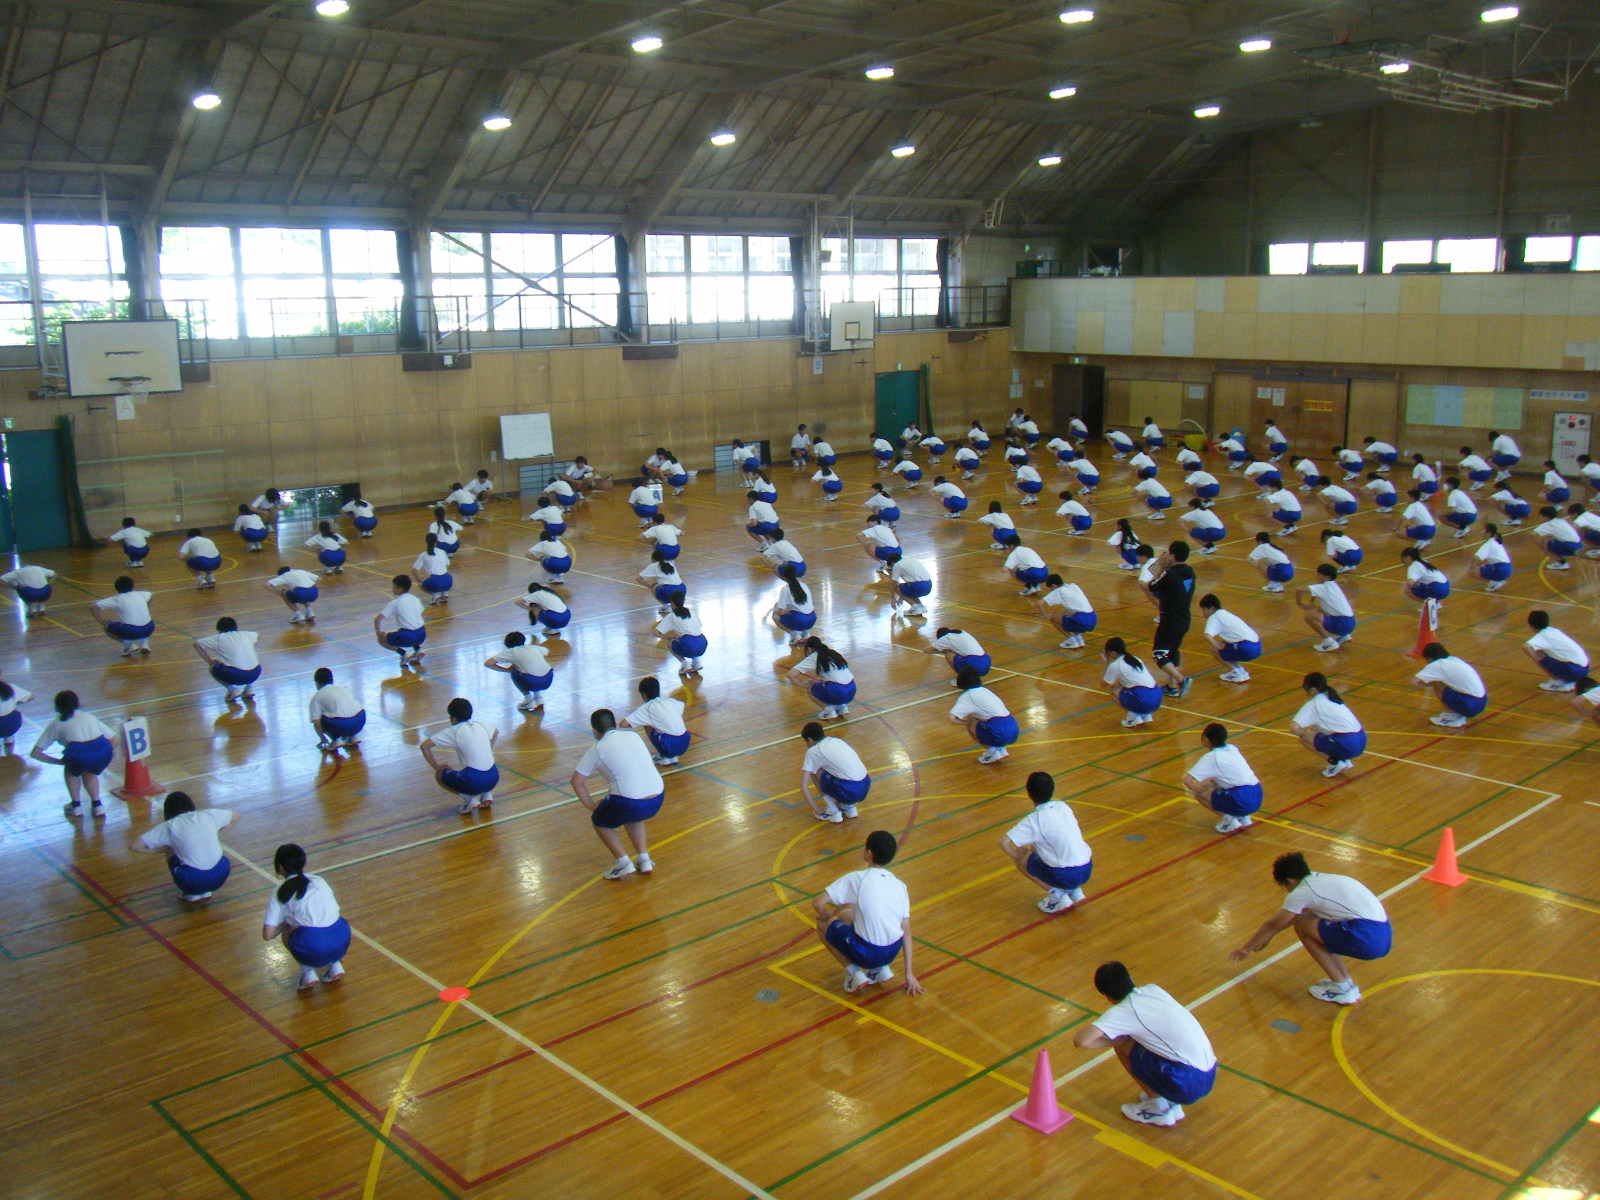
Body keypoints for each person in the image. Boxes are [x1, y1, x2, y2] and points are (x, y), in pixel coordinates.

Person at [1229, 851, 1391, 1006]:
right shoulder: (1321, 880)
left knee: (1303, 926)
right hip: (1383, 934)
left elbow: (1274, 924)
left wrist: (1247, 948)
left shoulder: (1303, 891)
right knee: (1312, 923)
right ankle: (1346, 984)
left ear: (1290, 881)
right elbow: (1301, 914)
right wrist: (1269, 936)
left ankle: (1342, 987)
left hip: (1367, 938)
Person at [1071, 961, 1217, 1127]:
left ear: (1106, 995)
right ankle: (1168, 1099)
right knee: (1138, 1041)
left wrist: (1118, 1040)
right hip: (1209, 1073)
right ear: (1130, 978)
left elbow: (1081, 1041)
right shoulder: (1153, 990)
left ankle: (1158, 1108)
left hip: (1188, 1084)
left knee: (1124, 1044)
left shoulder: (1125, 1011)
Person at [813, 830, 922, 995]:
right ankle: (879, 970)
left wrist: (825, 914)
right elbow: (906, 931)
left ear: (869, 853)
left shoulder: (857, 878)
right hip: (891, 952)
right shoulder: (900, 885)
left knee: (822, 924)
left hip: (868, 954)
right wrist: (909, 974)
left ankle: (854, 974)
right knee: (845, 915)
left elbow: (817, 903)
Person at [571, 708, 664, 879]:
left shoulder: (597, 748)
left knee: (600, 821)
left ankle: (623, 863)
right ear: (614, 724)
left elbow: (577, 782)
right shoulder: (633, 736)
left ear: (595, 731)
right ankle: (644, 859)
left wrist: (591, 806)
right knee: (633, 817)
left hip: (630, 802)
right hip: (658, 796)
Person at [262, 843, 350, 993]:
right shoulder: (319, 880)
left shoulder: (280, 891)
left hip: (314, 945)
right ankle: (335, 965)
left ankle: (307, 973)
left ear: (280, 868)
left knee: (289, 931)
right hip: (342, 938)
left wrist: (286, 923)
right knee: (326, 926)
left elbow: (268, 935)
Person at [1000, 772, 1092, 912]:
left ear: (1029, 793)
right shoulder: (1063, 806)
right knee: (1040, 848)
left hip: (1066, 874)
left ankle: (1057, 896)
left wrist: (1018, 856)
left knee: (1021, 859)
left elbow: (1004, 843)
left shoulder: (1034, 820)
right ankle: (1073, 890)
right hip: (1086, 868)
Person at [131, 791, 235, 902]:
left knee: (170, 849)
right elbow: (236, 817)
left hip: (192, 881)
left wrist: (161, 850)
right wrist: (217, 835)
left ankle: (190, 893)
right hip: (221, 875)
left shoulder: (170, 825)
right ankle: (206, 891)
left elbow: (135, 846)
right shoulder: (208, 815)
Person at [31, 690, 115, 817]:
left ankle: (76, 806)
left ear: (57, 707)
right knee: (89, 772)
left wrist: (60, 762)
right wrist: (99, 754)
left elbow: (35, 753)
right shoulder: (89, 717)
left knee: (70, 771)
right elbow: (114, 740)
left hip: (78, 756)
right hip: (103, 753)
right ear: (77, 703)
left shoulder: (57, 724)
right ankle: (98, 805)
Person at [420, 697, 499, 814]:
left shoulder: (455, 730)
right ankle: (487, 794)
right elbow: (496, 732)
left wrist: (436, 766)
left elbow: (425, 746)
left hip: (475, 780)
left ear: (453, 718)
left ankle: (470, 800)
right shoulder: (481, 725)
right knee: (478, 769)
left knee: (440, 775)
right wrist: (488, 750)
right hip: (494, 776)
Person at [1182, 723, 1262, 832]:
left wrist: (1197, 790)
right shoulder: (1232, 748)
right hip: (1257, 794)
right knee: (1216, 784)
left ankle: (1229, 821)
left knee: (1201, 793)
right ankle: (1243, 817)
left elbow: (1187, 780)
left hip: (1241, 799)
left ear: (1206, 739)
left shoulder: (1211, 757)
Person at [1290, 673, 1366, 777]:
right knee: (1316, 729)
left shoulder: (1314, 704)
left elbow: (1294, 727)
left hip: (1348, 744)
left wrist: (1303, 732)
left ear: (1313, 690)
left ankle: (1335, 762)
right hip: (1361, 739)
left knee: (1304, 738)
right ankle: (1344, 759)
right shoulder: (1332, 697)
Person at [1146, 541, 1197, 698]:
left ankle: (1181, 680)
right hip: (1184, 618)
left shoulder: (1169, 574)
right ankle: (1171, 687)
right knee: (1172, 652)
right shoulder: (1190, 572)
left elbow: (1152, 586)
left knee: (1159, 654)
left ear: (1173, 556)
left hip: (1170, 620)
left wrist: (1161, 567)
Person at [797, 721, 870, 824]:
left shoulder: (813, 751)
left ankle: (833, 812)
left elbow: (803, 786)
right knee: (836, 771)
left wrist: (817, 809)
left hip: (850, 791)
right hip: (865, 785)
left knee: (814, 771)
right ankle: (848, 807)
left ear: (809, 740)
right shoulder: (836, 740)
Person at [1412, 643, 1488, 728]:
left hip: (1470, 706)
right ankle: (1458, 712)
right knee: (1445, 681)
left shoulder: (1437, 665)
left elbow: (1415, 682)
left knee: (1436, 682)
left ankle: (1452, 716)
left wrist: (1430, 683)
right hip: (1482, 701)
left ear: (1429, 658)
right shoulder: (1454, 659)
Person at [622, 675, 690, 765]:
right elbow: (685, 706)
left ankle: (663, 756)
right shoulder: (670, 701)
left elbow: (623, 724)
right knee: (656, 723)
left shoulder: (647, 707)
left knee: (646, 722)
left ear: (644, 695)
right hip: (685, 741)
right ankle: (672, 757)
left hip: (668, 744)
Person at [193, 616, 261, 703]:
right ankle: (249, 689)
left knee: (213, 668)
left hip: (236, 675)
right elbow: (257, 636)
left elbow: (197, 644)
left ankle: (232, 690)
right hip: (256, 673)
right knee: (248, 663)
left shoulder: (219, 638)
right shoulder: (247, 634)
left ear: (219, 629)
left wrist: (209, 661)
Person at [1198, 594, 1261, 684]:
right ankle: (1241, 671)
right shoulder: (1225, 613)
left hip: (1247, 648)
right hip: (1257, 646)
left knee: (1214, 648)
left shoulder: (1214, 617)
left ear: (1212, 608)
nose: (1203, 613)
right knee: (1227, 645)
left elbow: (1207, 636)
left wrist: (1217, 647)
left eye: (1204, 609)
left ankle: (1235, 673)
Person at [788, 636, 856, 719]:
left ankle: (828, 711)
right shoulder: (833, 654)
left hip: (837, 691)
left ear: (809, 649)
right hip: (852, 690)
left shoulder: (814, 656)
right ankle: (841, 707)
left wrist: (804, 685)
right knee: (825, 685)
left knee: (811, 688)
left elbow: (791, 674)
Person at [485, 631, 553, 713]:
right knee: (532, 668)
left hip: (533, 682)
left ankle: (528, 698)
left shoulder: (511, 651)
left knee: (514, 671)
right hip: (548, 679)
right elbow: (546, 651)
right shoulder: (534, 647)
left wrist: (507, 670)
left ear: (507, 644)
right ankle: (538, 698)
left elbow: (488, 663)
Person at [1523, 610, 1589, 692]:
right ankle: (1567, 679)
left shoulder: (1541, 637)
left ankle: (1561, 681)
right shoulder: (1554, 630)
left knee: (1538, 654)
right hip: (1585, 667)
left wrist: (1537, 660)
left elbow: (1526, 647)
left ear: (1531, 625)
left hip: (1575, 672)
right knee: (1545, 652)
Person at [1102, 637, 1162, 728]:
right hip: (1157, 696)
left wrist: (1106, 662)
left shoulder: (1116, 665)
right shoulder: (1135, 659)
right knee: (1125, 687)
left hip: (1145, 699)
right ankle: (1145, 715)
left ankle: (1133, 717)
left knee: (1113, 690)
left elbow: (1103, 684)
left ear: (1113, 653)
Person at [1299, 564, 1356, 653]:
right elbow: (1316, 591)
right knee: (1320, 610)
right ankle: (1343, 636)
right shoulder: (1333, 585)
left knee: (1309, 616)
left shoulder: (1323, 587)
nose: (1317, 576)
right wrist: (1311, 602)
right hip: (1350, 622)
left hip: (1342, 623)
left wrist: (1299, 603)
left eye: (1320, 574)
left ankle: (1328, 642)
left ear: (1326, 577)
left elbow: (1299, 589)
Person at [94, 576, 155, 657]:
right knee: (143, 623)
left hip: (131, 631)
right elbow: (151, 595)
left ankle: (129, 645)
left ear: (117, 588)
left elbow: (94, 607)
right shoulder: (141, 594)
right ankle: (144, 645)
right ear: (132, 585)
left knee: (107, 627)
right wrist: (147, 609)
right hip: (150, 627)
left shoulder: (117, 599)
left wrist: (101, 621)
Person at [374, 574, 426, 666]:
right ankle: (418, 650)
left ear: (399, 588)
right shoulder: (415, 599)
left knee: (381, 639)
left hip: (408, 636)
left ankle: (403, 654)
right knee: (406, 629)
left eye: (393, 586)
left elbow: (377, 619)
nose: (392, 588)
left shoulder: (396, 602)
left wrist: (378, 633)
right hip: (422, 634)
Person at [308, 667, 366, 748]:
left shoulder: (317, 697)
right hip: (360, 720)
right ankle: (353, 737)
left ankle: (336, 740)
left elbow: (316, 722)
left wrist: (322, 738)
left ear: (317, 683)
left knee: (321, 717)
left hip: (341, 725)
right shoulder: (344, 689)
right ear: (332, 680)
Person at [1038, 571, 1097, 649]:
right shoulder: (1073, 586)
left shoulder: (1059, 591)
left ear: (1053, 586)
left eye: (1050, 589)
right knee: (1070, 616)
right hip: (1093, 618)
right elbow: (1071, 605)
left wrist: (1047, 616)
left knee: (1053, 617)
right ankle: (1079, 640)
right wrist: (1062, 614)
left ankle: (1072, 641)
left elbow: (1039, 603)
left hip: (1082, 620)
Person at [770, 564, 817, 646]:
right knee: (795, 613)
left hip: (799, 620)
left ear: (783, 576)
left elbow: (781, 612)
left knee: (775, 617)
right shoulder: (804, 585)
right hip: (812, 618)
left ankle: (794, 635)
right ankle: (805, 633)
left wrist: (775, 609)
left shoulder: (785, 589)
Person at [886, 550, 933, 618]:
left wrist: (892, 597)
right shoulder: (911, 560)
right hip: (928, 585)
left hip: (918, 586)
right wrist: (902, 597)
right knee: (910, 589)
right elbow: (908, 586)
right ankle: (921, 606)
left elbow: (894, 583)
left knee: (897, 588)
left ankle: (915, 607)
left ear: (892, 562)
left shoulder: (897, 565)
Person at [1533, 505, 1581, 570]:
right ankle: (1561, 560)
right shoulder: (1561, 521)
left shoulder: (1548, 524)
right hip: (1579, 545)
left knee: (1546, 545)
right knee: (1550, 541)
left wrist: (1540, 546)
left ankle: (1562, 563)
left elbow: (1533, 534)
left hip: (1570, 547)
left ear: (1544, 516)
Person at [413, 533, 454, 604]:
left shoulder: (423, 555)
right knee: (441, 580)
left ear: (426, 542)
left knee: (421, 585)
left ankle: (435, 595)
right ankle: (444, 594)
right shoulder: (442, 552)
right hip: (448, 579)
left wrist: (419, 579)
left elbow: (414, 570)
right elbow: (447, 564)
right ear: (436, 541)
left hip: (435, 581)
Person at [0, 677, 33, 756]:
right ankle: (10, 755)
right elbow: (31, 697)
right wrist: (13, 702)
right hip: (13, 724)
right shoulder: (9, 687)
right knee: (11, 714)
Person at [1475, 524, 1512, 591]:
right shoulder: (1496, 541)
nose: (1482, 532)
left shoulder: (1489, 544)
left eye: (1484, 530)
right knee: (1485, 566)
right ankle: (1498, 580)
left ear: (1489, 533)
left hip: (1500, 570)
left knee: (1472, 571)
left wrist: (1475, 566)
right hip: (1508, 568)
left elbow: (1477, 558)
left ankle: (1495, 581)